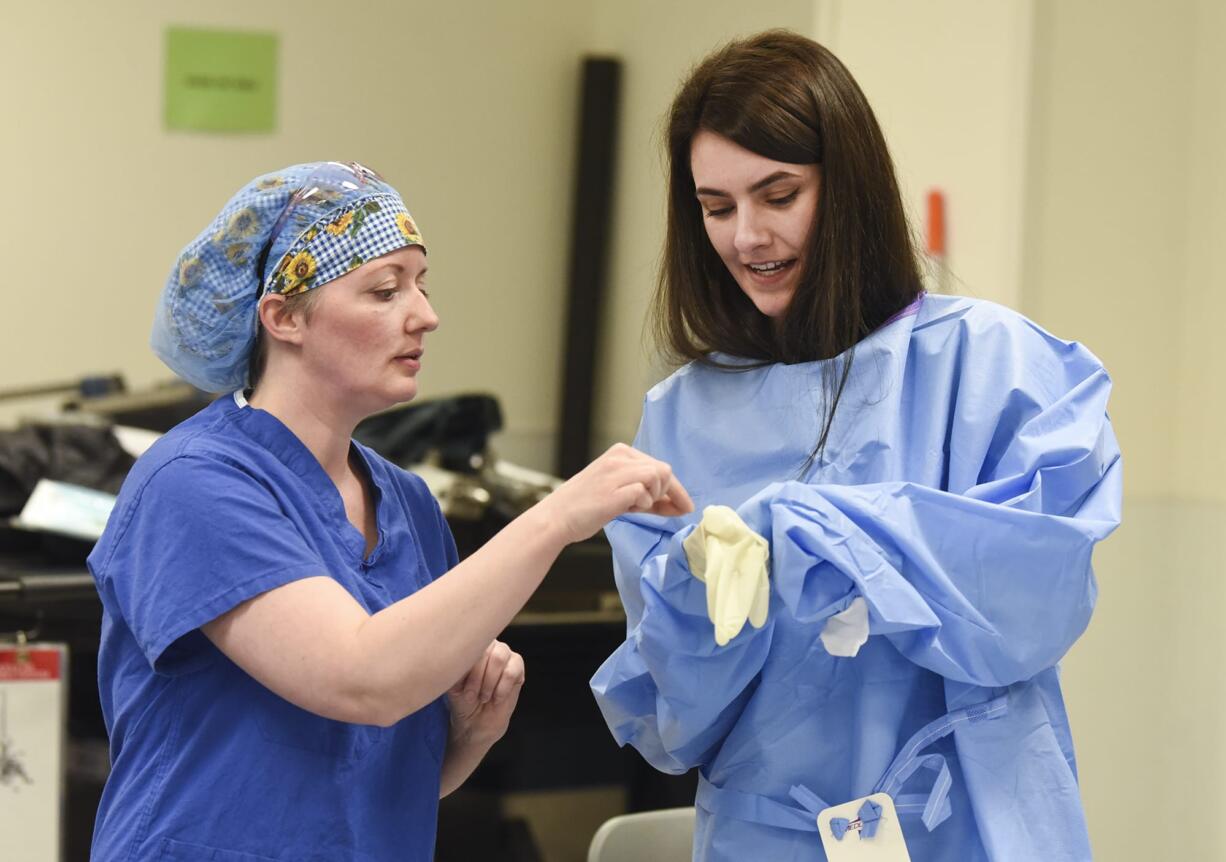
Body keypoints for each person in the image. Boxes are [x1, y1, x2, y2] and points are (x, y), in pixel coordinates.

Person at [590, 31, 1121, 861]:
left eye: (779, 194)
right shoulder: (683, 418)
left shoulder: (994, 367)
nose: (747, 238)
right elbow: (674, 717)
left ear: (849, 188)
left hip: (967, 828)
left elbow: (1031, 603)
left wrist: (819, 532)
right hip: (767, 838)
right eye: (717, 207)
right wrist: (700, 601)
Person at [88, 160, 692, 861]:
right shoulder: (194, 484)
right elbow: (361, 679)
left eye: (422, 284)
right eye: (385, 290)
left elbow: (376, 776)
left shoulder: (405, 504)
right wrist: (558, 516)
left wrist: (468, 736)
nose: (425, 315)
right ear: (283, 317)